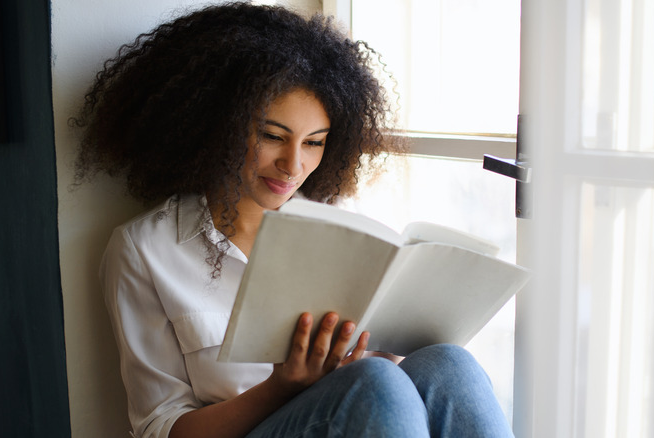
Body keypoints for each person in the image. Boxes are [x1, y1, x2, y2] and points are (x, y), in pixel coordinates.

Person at [72, 2, 514, 437]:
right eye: (272, 136)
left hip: (361, 418)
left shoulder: (343, 230)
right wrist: (280, 388)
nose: (293, 165)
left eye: (315, 143)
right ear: (217, 124)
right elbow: (159, 426)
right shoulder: (146, 249)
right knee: (374, 387)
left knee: (447, 362)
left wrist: (384, 348)